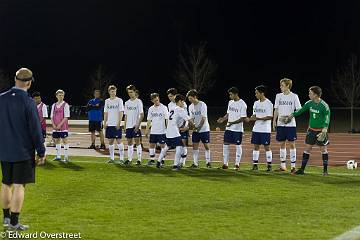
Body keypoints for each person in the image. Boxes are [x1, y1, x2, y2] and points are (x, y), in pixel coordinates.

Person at [0, 68, 46, 231]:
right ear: (29, 82)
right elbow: (35, 130)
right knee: (19, 185)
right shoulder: (28, 102)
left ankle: (6, 219)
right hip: (23, 152)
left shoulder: (1, 99)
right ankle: (13, 223)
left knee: (6, 184)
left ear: (15, 79)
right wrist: (41, 152)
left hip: (4, 151)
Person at [285, 86, 330, 175]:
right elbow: (301, 110)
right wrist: (292, 115)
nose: (308, 95)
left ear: (316, 95)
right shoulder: (309, 103)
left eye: (310, 93)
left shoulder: (324, 105)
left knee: (323, 150)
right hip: (311, 130)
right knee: (307, 149)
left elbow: (327, 117)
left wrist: (325, 129)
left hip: (321, 131)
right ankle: (302, 169)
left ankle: (325, 171)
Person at [273, 78, 301, 173]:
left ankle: (293, 167)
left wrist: (289, 117)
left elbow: (299, 110)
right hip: (280, 124)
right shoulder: (278, 96)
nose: (280, 87)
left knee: (292, 144)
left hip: (290, 124)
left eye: (282, 85)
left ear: (288, 86)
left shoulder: (294, 96)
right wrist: (274, 121)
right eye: (280, 85)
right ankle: (283, 166)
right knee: (282, 144)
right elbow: (276, 109)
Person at [217, 87, 248, 170]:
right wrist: (223, 119)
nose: (229, 96)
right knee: (225, 145)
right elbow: (228, 114)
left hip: (237, 129)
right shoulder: (230, 102)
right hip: (229, 128)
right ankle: (225, 164)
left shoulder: (242, 104)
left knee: (238, 146)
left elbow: (242, 118)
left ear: (236, 94)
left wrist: (232, 123)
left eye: (231, 94)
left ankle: (237, 164)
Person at [248, 85, 274, 171]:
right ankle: (255, 165)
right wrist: (251, 118)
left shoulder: (269, 103)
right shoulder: (256, 103)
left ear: (262, 93)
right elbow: (254, 114)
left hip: (265, 129)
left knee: (267, 147)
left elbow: (270, 116)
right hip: (256, 129)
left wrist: (258, 118)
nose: (255, 94)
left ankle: (269, 165)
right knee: (256, 147)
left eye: (257, 93)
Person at [165, 94, 191, 170]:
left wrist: (186, 126)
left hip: (181, 128)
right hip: (176, 129)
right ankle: (176, 164)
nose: (170, 98)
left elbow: (186, 117)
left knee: (182, 145)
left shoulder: (183, 105)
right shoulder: (171, 105)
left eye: (171, 96)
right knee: (179, 147)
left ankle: (181, 162)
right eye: (169, 96)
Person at [187, 89, 211, 168]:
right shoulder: (190, 107)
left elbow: (203, 118)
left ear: (195, 97)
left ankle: (208, 162)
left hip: (204, 129)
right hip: (196, 130)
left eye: (191, 98)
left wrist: (199, 128)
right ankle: (195, 163)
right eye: (189, 98)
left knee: (206, 146)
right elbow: (192, 119)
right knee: (195, 146)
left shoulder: (202, 104)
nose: (189, 100)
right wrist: (193, 126)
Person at [145, 93, 169, 167]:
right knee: (152, 145)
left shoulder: (164, 107)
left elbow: (167, 119)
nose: (157, 102)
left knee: (163, 146)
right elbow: (149, 120)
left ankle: (162, 160)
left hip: (162, 131)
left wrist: (167, 129)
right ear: (152, 101)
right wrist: (147, 130)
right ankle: (152, 160)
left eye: (157, 100)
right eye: (155, 101)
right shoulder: (151, 109)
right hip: (153, 131)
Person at [124, 85, 144, 166]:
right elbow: (125, 115)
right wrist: (125, 126)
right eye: (128, 92)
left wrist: (137, 125)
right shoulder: (126, 103)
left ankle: (139, 160)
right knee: (129, 143)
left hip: (135, 126)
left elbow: (142, 115)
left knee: (138, 143)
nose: (130, 94)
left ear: (135, 92)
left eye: (131, 92)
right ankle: (129, 160)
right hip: (128, 126)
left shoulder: (138, 101)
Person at [104, 85, 125, 163]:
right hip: (109, 124)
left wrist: (119, 123)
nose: (113, 93)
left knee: (119, 140)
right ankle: (112, 158)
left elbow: (121, 112)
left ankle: (122, 158)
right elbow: (105, 113)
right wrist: (105, 122)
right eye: (112, 91)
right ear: (109, 92)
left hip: (116, 124)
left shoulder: (119, 100)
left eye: (115, 91)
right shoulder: (107, 101)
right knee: (110, 141)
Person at [51, 89, 71, 163]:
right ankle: (58, 156)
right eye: (59, 95)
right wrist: (53, 125)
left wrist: (59, 125)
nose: (61, 96)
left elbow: (66, 117)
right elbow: (51, 116)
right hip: (55, 127)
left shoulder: (66, 105)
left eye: (62, 95)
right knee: (57, 140)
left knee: (65, 140)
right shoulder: (54, 105)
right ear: (56, 96)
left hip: (63, 127)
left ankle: (66, 157)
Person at [32, 92, 48, 159]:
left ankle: (44, 155)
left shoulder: (43, 106)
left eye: (39, 98)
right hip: (33, 128)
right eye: (36, 99)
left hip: (41, 128)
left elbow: (44, 117)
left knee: (42, 141)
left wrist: (37, 124)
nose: (38, 100)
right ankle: (35, 155)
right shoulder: (31, 106)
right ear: (33, 99)